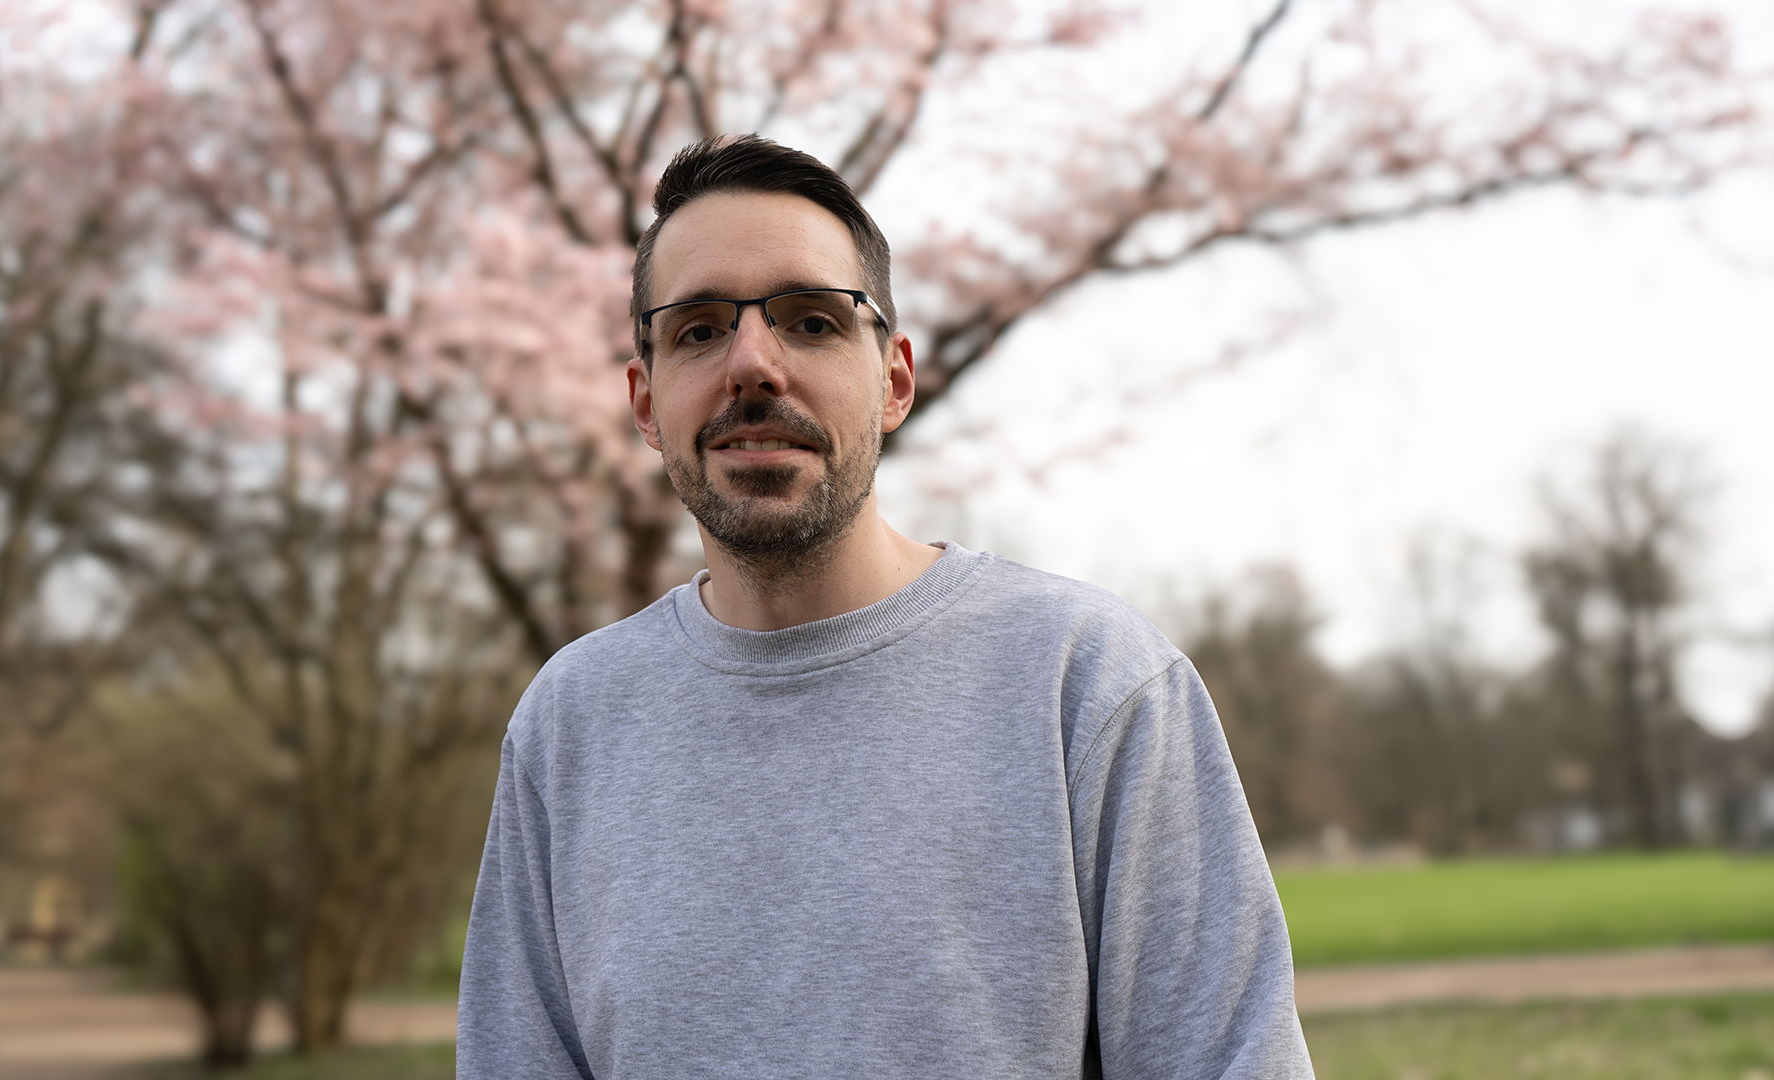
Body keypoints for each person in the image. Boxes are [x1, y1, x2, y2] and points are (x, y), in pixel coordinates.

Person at [456, 134, 1314, 1080]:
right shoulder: (568, 724)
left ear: (896, 378)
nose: (752, 364)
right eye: (697, 329)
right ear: (645, 400)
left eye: (811, 320)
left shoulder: (1090, 683)